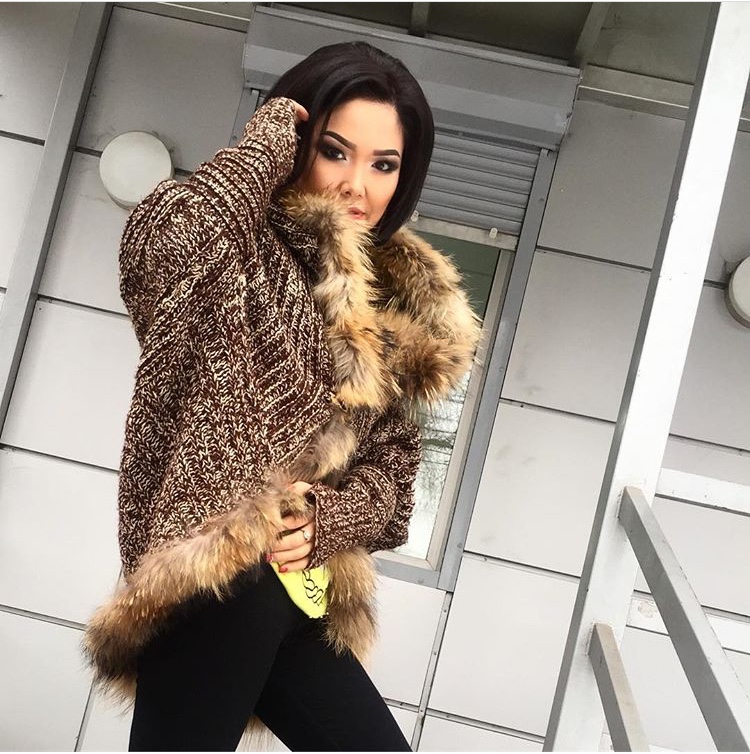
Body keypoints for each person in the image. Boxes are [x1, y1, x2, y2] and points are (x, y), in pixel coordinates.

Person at [82, 40, 482, 752]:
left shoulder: (382, 308)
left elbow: (393, 484)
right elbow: (168, 247)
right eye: (334, 150)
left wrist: (331, 518)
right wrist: (262, 146)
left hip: (302, 592)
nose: (356, 185)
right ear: (297, 144)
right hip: (213, 571)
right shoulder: (239, 247)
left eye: (383, 164)